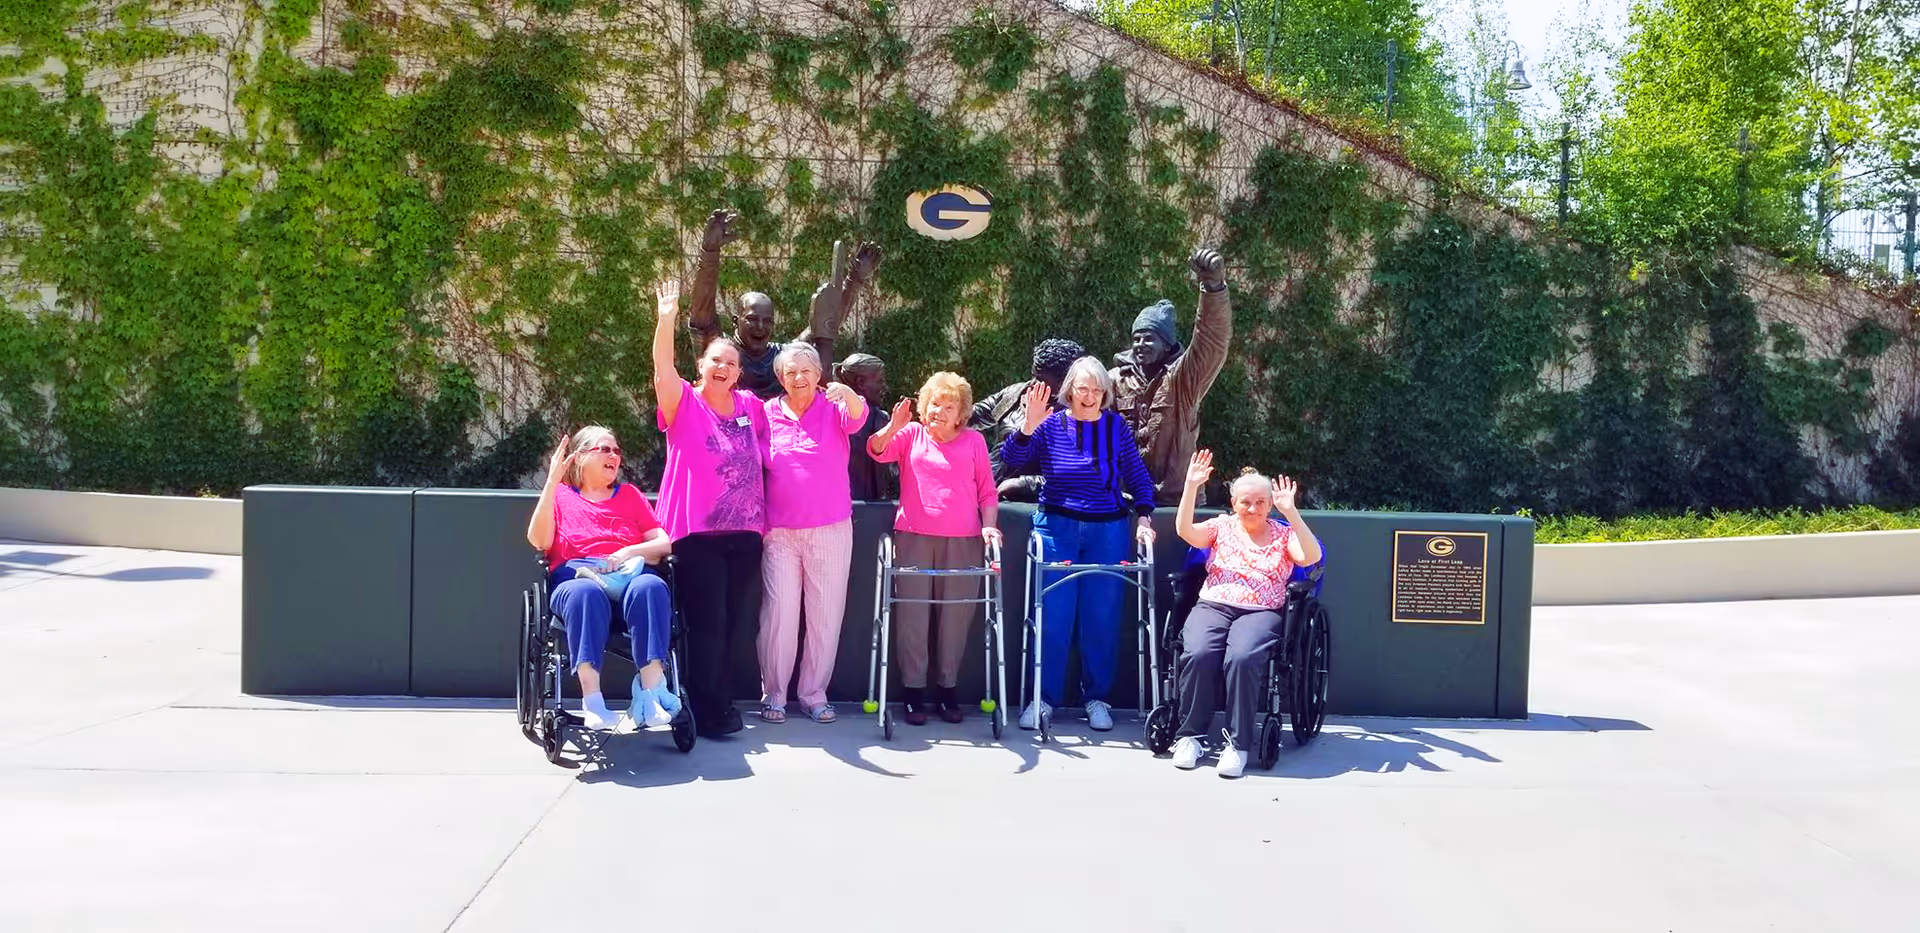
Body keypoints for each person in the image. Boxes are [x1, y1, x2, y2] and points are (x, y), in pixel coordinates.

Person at [1001, 356, 1157, 732]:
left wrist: (1145, 516)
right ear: (1070, 390)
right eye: (1082, 388)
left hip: (1108, 530)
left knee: (1101, 616)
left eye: (1096, 389)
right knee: (1052, 616)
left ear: (1104, 394)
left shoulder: (1115, 427)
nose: (1089, 396)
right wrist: (1026, 427)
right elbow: (1011, 459)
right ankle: (1042, 698)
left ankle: (1097, 699)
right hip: (1057, 527)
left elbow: (1137, 475)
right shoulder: (1051, 425)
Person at [651, 277, 766, 738]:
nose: (723, 366)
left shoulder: (752, 407)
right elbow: (661, 369)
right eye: (715, 359)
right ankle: (710, 710)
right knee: (708, 626)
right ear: (701, 366)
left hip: (745, 535)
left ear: (739, 372)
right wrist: (666, 319)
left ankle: (718, 702)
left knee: (732, 624)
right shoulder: (684, 403)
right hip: (696, 535)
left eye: (731, 362)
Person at [1169, 450, 1322, 778]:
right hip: (1213, 605)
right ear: (1234, 502)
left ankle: (1237, 745)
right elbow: (1185, 531)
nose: (1252, 508)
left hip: (1261, 611)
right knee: (1197, 653)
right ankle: (1190, 737)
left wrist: (1292, 513)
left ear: (1270, 504)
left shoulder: (1283, 535)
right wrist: (1191, 487)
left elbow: (1310, 557)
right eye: (1245, 502)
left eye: (1260, 502)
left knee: (1241, 657)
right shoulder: (1220, 527)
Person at [868, 372, 1002, 725]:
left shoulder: (974, 442)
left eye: (949, 405)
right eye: (934, 403)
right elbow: (877, 451)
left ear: (961, 414)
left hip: (963, 539)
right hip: (913, 535)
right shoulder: (911, 434)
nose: (939, 411)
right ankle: (913, 693)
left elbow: (988, 492)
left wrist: (989, 525)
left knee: (955, 619)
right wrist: (892, 427)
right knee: (912, 615)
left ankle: (947, 691)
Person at [524, 426, 676, 732]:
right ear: (579, 457)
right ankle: (592, 701)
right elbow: (538, 541)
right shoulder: (561, 496)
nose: (614, 456)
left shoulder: (630, 495)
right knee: (584, 593)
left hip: (628, 575)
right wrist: (552, 482)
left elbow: (664, 544)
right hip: (578, 578)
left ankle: (651, 696)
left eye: (617, 451)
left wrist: (626, 552)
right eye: (604, 449)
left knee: (652, 585)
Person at [757, 342, 866, 724]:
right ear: (780, 378)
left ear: (819, 374)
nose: (798, 377)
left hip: (830, 529)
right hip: (780, 533)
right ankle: (774, 693)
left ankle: (814, 694)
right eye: (790, 372)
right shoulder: (766, 413)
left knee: (824, 616)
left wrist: (850, 393)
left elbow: (860, 417)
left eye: (806, 370)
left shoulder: (835, 408)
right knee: (779, 616)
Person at [685, 208, 881, 398]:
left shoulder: (783, 357)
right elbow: (702, 313)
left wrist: (854, 280)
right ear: (737, 320)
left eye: (767, 321)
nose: (760, 327)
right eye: (752, 319)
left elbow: (824, 325)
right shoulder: (723, 354)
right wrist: (709, 253)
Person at [1110, 248, 1234, 501]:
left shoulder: (1183, 378)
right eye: (1136, 338)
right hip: (1125, 498)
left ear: (1167, 344)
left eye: (1149, 338)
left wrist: (1212, 288)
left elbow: (1210, 340)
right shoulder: (1114, 380)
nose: (1140, 344)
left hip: (1176, 499)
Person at [968, 337, 1085, 501]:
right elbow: (977, 413)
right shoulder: (1016, 393)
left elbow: (1079, 475)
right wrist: (950, 413)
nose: (1034, 384)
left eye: (1043, 381)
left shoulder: (1079, 413)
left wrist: (1025, 485)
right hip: (985, 492)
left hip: (1029, 509)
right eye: (1034, 376)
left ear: (1065, 381)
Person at [838, 352, 896, 501]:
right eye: (879, 381)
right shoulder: (879, 419)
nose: (884, 387)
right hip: (868, 507)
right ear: (861, 383)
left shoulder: (833, 413)